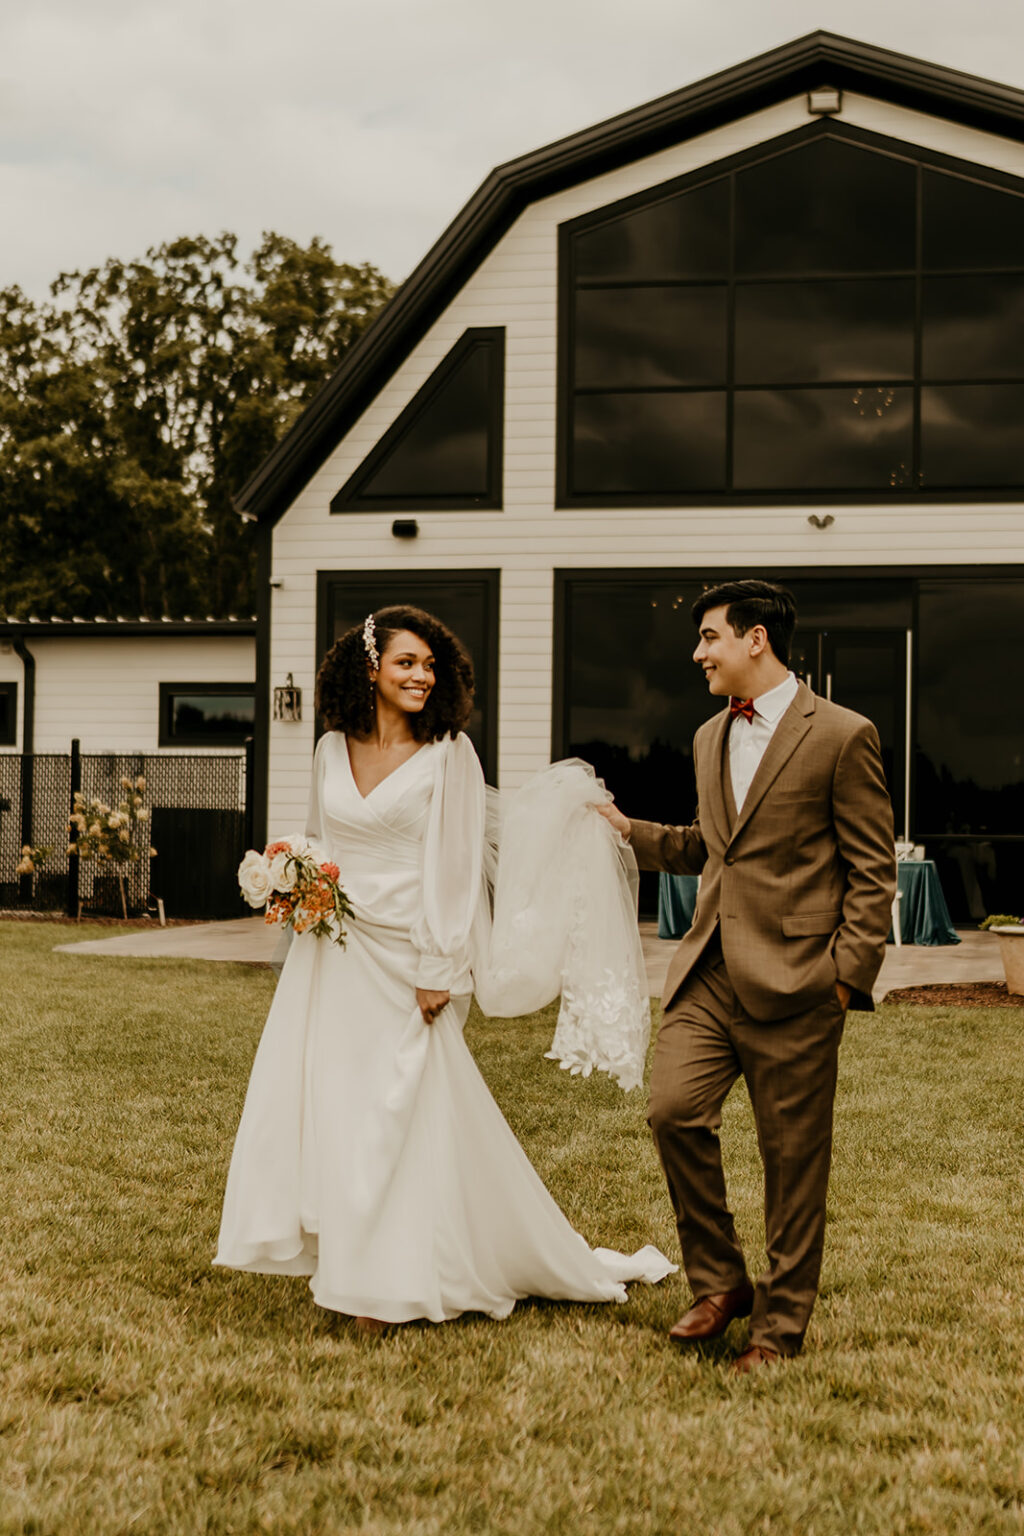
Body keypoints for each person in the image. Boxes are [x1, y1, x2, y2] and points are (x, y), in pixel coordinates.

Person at [215, 605, 673, 1328]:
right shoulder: (330, 747)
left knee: (396, 1109)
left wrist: (440, 966)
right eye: (406, 663)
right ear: (370, 668)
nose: (421, 676)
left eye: (430, 665)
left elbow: (455, 870)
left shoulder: (449, 753)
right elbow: (322, 836)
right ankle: (351, 1253)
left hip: (410, 957)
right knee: (337, 1103)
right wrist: (292, 877)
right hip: (333, 951)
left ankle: (386, 1281)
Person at [598, 580, 896, 1373]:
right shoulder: (706, 737)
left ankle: (778, 1330)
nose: (698, 653)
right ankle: (721, 1281)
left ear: (755, 639)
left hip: (802, 980)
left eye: (709, 638)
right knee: (672, 1112)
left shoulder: (842, 734)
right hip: (709, 973)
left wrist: (845, 977)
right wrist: (629, 832)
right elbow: (711, 845)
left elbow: (872, 871)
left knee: (793, 1161)